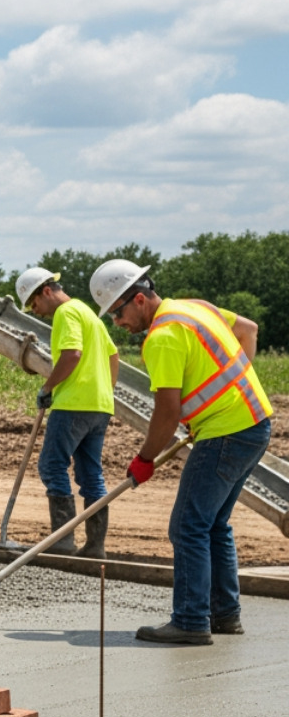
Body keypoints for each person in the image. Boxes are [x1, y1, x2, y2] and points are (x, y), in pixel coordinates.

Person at [93, 258, 273, 645]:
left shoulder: (162, 337)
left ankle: (191, 621)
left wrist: (144, 460)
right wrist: (229, 391)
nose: (117, 323)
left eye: (117, 313)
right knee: (213, 525)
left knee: (187, 526)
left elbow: (167, 411)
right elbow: (249, 330)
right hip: (256, 423)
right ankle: (225, 615)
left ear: (138, 299)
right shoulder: (196, 308)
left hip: (226, 433)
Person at [16, 267, 119, 558]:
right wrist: (105, 391)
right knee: (91, 475)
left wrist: (48, 387)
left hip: (72, 404)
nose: (37, 312)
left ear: (46, 291)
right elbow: (113, 354)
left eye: (35, 304)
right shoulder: (89, 314)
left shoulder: (66, 313)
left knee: (51, 466)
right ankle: (95, 547)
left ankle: (62, 541)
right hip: (99, 406)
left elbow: (72, 354)